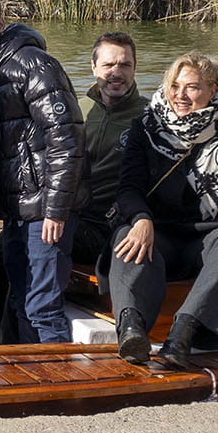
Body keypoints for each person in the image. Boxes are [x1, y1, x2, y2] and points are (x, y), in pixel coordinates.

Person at [109, 52, 218, 369]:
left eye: (192, 87)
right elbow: (129, 188)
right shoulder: (145, 128)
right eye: (175, 86)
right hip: (159, 234)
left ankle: (182, 337)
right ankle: (131, 330)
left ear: (213, 90)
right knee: (127, 234)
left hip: (207, 238)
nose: (180, 95)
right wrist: (141, 218)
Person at [0, 0, 84, 344]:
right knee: (21, 300)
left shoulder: (34, 64)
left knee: (42, 306)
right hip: (19, 210)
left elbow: (66, 138)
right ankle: (27, 368)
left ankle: (57, 373)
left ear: (0, 23)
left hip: (45, 210)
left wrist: (56, 210)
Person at [74, 32, 146, 267]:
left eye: (125, 65)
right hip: (70, 214)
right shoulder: (76, 110)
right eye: (108, 65)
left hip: (112, 226)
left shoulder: (151, 116)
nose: (116, 73)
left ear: (135, 68)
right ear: (93, 67)